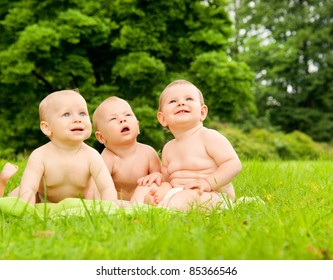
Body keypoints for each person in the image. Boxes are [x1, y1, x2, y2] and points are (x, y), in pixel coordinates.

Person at [0, 90, 117, 205]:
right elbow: (29, 188)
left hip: (81, 201)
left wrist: (109, 208)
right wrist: (26, 209)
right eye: (66, 114)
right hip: (41, 199)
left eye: (82, 113)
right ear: (47, 128)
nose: (77, 119)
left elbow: (106, 187)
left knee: (96, 194)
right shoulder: (40, 155)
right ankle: (2, 184)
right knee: (16, 198)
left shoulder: (92, 155)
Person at [141, 80, 242, 211]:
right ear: (162, 118)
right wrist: (159, 177)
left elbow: (233, 164)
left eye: (189, 99)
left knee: (186, 198)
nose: (181, 103)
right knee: (152, 189)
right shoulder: (168, 148)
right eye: (172, 101)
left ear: (202, 112)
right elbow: (168, 177)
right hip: (179, 192)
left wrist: (208, 183)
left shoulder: (209, 137)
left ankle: (164, 210)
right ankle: (154, 205)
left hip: (212, 194)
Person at [92, 96, 162, 204]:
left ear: (138, 127)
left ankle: (147, 202)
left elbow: (159, 176)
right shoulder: (108, 157)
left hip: (144, 198)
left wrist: (156, 175)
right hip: (119, 203)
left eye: (127, 115)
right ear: (101, 137)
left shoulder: (148, 153)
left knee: (161, 187)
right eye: (113, 119)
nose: (122, 119)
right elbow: (98, 188)